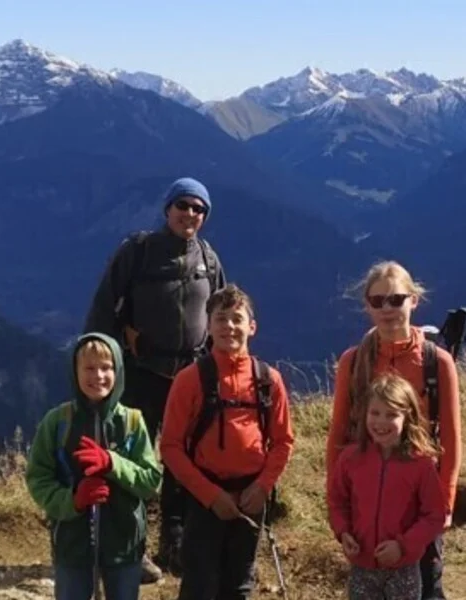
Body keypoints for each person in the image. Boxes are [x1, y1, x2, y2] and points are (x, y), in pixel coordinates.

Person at [83, 176, 225, 581]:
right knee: (135, 461)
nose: (190, 214)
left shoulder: (208, 258)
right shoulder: (138, 252)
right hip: (142, 374)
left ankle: (175, 547)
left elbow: (220, 311)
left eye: (199, 209)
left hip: (190, 377)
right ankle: (131, 547)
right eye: (183, 205)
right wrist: (97, 365)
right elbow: (104, 307)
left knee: (182, 462)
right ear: (168, 209)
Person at [325, 260, 462, 599]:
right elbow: (338, 433)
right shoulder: (352, 362)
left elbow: (451, 437)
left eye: (396, 299)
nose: (387, 308)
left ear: (414, 300)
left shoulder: (436, 362)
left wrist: (445, 502)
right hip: (365, 491)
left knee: (427, 585)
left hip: (422, 494)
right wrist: (337, 505)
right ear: (367, 306)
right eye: (377, 301)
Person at [159, 285, 295, 600]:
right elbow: (170, 446)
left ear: (252, 327)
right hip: (204, 501)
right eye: (221, 319)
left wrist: (262, 487)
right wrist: (209, 495)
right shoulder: (190, 380)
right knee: (199, 587)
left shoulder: (268, 380)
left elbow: (283, 441)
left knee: (239, 586)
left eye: (237, 319)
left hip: (250, 499)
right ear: (208, 326)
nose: (229, 326)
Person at [27, 333, 165, 600]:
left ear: (118, 372)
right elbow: (38, 479)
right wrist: (72, 501)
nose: (98, 376)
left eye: (106, 367)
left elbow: (151, 481)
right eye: (89, 368)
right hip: (72, 544)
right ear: (75, 372)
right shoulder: (57, 423)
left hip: (124, 544)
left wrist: (113, 463)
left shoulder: (132, 422)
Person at [326, 373, 450, 600]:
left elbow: (434, 515)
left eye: (391, 415)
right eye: (375, 413)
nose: (381, 422)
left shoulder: (421, 464)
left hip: (403, 569)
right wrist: (343, 532)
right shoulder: (350, 459)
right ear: (365, 414)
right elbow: (337, 501)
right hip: (362, 566)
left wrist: (402, 546)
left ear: (407, 417)